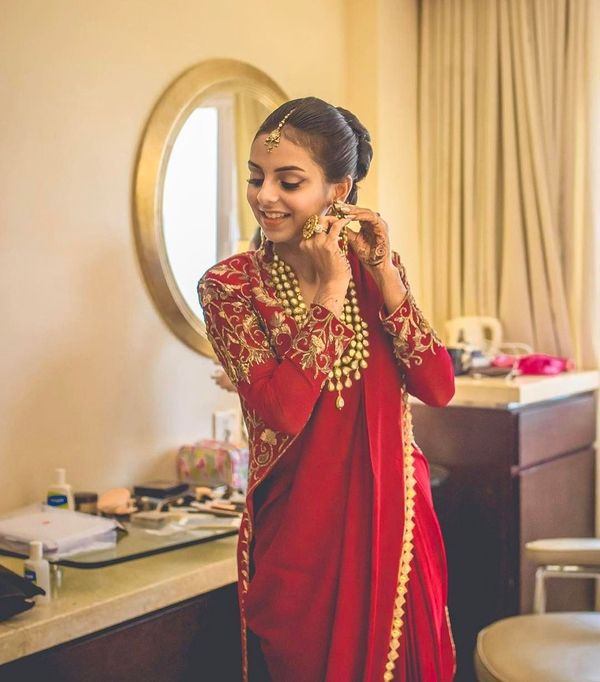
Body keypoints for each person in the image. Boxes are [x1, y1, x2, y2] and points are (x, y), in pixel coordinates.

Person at [198, 97, 456, 682]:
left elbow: (438, 387)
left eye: (289, 181)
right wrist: (331, 289)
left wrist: (386, 276)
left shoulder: (373, 268)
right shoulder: (231, 289)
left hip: (397, 521)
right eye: (256, 178)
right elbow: (285, 411)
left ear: (338, 190)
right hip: (301, 542)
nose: (265, 195)